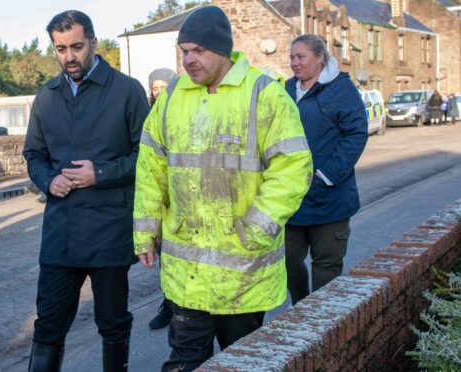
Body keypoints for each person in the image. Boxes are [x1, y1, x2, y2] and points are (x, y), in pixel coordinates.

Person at [133, 6, 313, 371]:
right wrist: (146, 230)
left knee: (242, 363)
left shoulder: (264, 94)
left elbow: (294, 167)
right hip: (187, 276)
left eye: (198, 50)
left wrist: (258, 226)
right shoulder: (171, 98)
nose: (189, 60)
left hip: (243, 274)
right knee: (184, 362)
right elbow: (151, 169)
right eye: (184, 51)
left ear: (223, 49)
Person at [22, 10, 149, 372]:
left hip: (109, 229)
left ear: (93, 42)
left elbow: (150, 157)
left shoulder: (127, 90)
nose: (69, 57)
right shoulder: (46, 96)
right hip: (60, 232)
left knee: (112, 323)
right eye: (60, 49)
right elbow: (33, 155)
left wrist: (102, 173)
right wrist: (48, 179)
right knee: (47, 326)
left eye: (76, 46)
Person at [285, 34, 367, 305]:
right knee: (286, 260)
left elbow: (355, 134)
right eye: (292, 58)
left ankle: (321, 320)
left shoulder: (341, 89)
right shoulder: (285, 90)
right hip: (291, 198)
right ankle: (301, 308)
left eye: (301, 57)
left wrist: (327, 175)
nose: (295, 63)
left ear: (320, 57)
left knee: (326, 267)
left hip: (329, 197)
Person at [145, 67, 177, 331]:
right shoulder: (148, 117)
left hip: (181, 197)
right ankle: (168, 305)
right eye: (155, 87)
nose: (159, 91)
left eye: (164, 85)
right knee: (165, 258)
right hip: (159, 199)